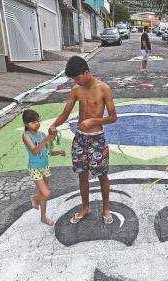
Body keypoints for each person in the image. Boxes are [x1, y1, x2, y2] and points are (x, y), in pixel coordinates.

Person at [49, 56, 118, 225]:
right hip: (80, 139)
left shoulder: (104, 89)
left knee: (102, 175)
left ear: (87, 72)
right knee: (82, 175)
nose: (76, 82)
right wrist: (54, 125)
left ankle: (106, 208)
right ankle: (85, 207)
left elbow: (113, 117)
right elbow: (65, 114)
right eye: (73, 79)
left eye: (78, 78)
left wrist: (94, 121)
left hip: (97, 140)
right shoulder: (76, 90)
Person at [21, 109, 61, 226]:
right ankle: (34, 197)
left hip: (45, 167)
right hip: (35, 168)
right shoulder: (26, 136)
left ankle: (43, 217)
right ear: (26, 124)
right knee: (46, 193)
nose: (37, 123)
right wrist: (46, 139)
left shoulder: (42, 135)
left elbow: (49, 152)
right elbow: (35, 150)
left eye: (38, 121)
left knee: (44, 195)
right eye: (33, 122)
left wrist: (59, 152)